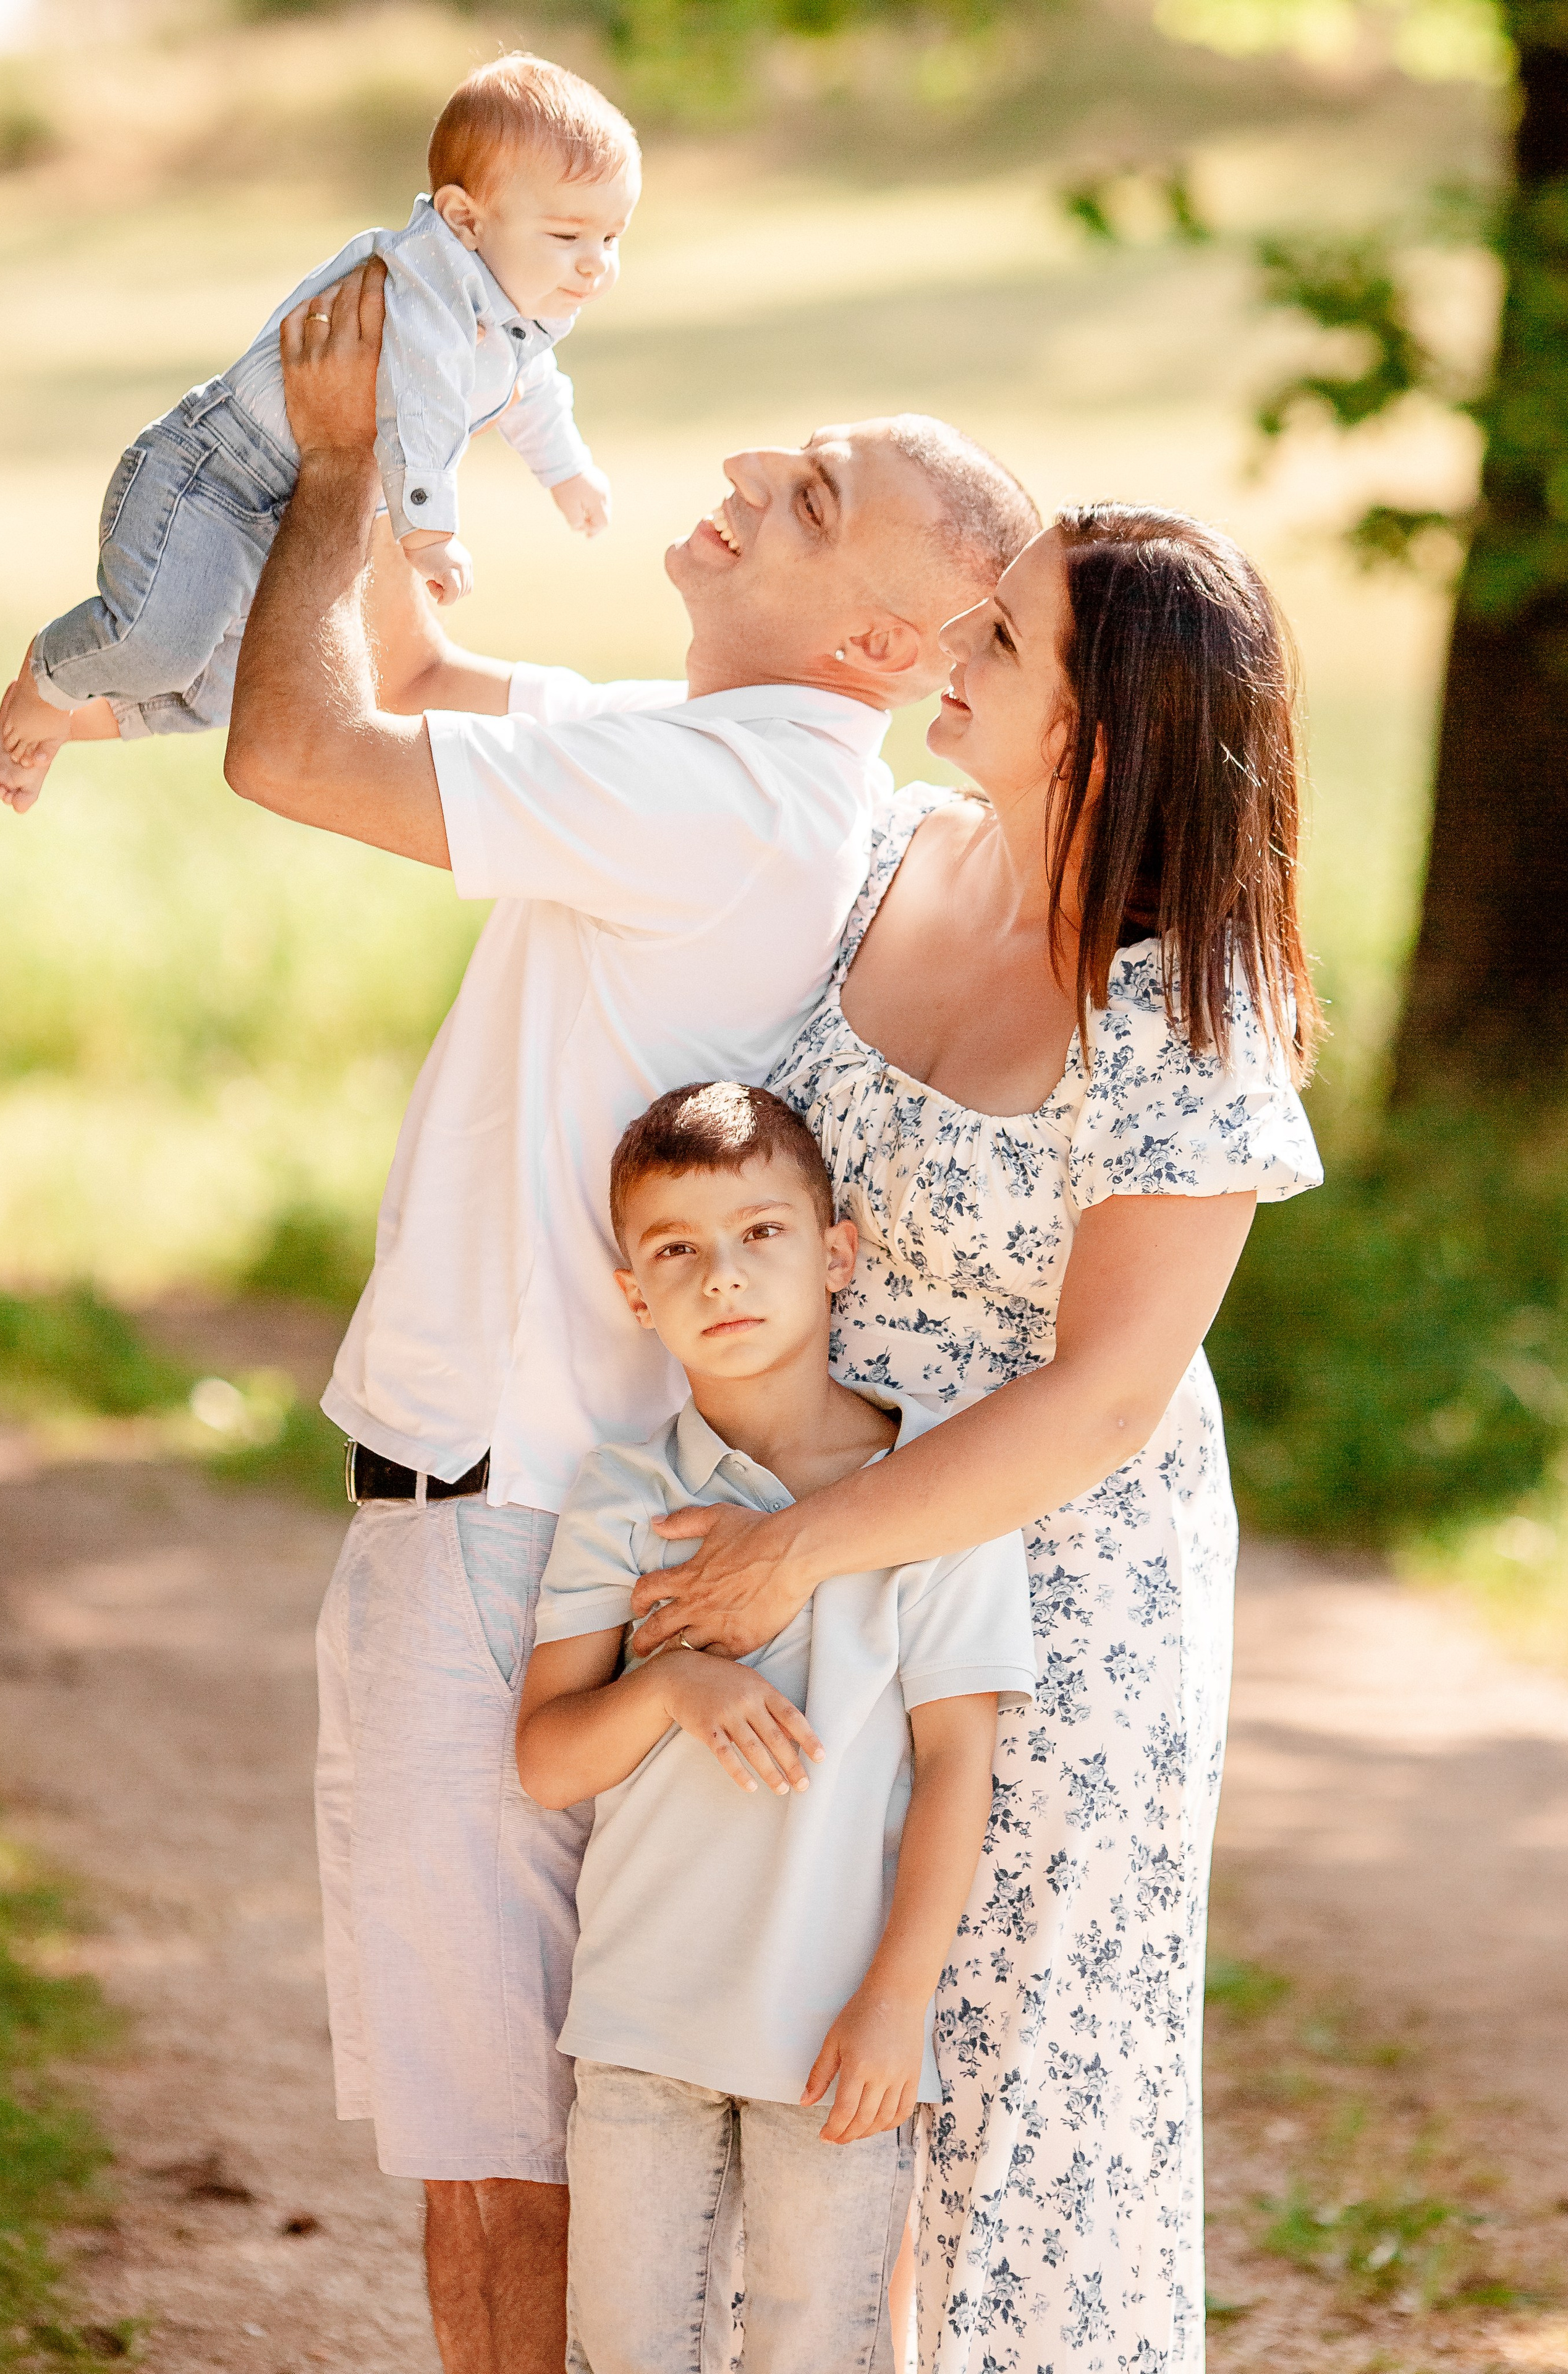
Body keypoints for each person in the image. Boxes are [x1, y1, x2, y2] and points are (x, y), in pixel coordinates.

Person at [211, 261, 1040, 2374]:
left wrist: (318, 466)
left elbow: (300, 745)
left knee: (506, 2143)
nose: (752, 465)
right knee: (629, 2113)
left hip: (499, 1524)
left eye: (815, 484)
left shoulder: (718, 795)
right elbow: (419, 667)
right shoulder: (733, 767)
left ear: (876, 636)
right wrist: (422, 448)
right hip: (591, 1515)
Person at [627, 509, 1326, 2370]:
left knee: (1022, 2106)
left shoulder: (1188, 1001)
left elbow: (1100, 1396)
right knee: (790, 2058)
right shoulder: (895, 860)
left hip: (1056, 1601)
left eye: (1001, 636)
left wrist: (797, 1548)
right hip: (820, 1547)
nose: (955, 638)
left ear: (1103, 724)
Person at [517, 1081, 1036, 2374]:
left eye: (761, 1233)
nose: (721, 1277)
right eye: (675, 1251)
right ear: (633, 1294)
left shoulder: (927, 1496)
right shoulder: (624, 1494)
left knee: (824, 2355)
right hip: (641, 2022)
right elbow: (542, 1759)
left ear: (837, 1250)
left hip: (836, 2036)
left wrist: (897, 2001)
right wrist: (667, 1686)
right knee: (627, 2355)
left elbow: (958, 1765)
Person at [0, 53, 632, 812]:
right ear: (465, 220)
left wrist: (566, 471)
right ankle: (49, 678)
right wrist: (428, 532)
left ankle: (66, 720)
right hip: (218, 480)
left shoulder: (519, 308)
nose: (595, 267)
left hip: (289, 519)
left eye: (613, 239)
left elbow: (532, 389)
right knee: (157, 646)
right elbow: (419, 404)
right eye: (568, 236)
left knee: (247, 683)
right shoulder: (424, 286)